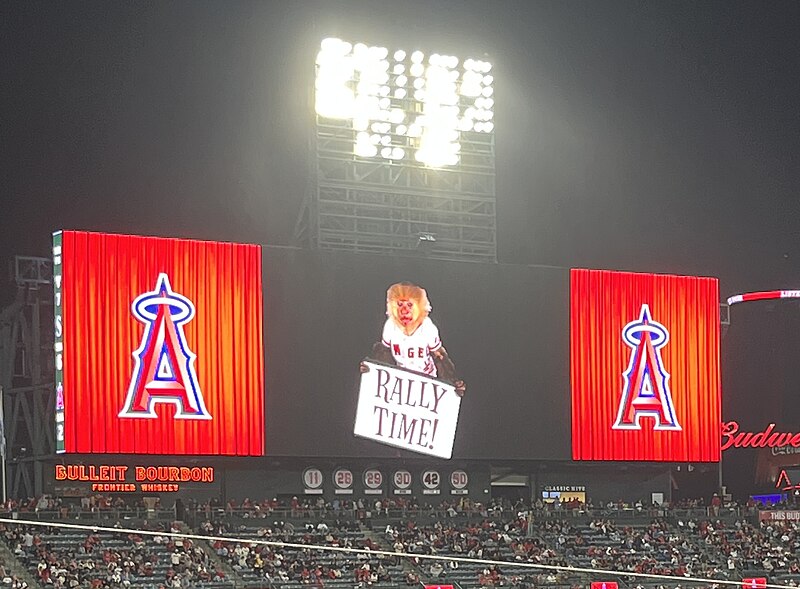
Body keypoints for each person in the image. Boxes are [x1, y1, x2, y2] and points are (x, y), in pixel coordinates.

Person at [361, 282, 465, 395]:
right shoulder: (390, 327)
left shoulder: (428, 328)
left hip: (427, 382)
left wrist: (453, 383)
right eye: (400, 305)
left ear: (420, 307)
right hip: (401, 382)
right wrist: (371, 370)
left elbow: (440, 358)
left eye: (410, 305)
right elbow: (383, 355)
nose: (404, 311)